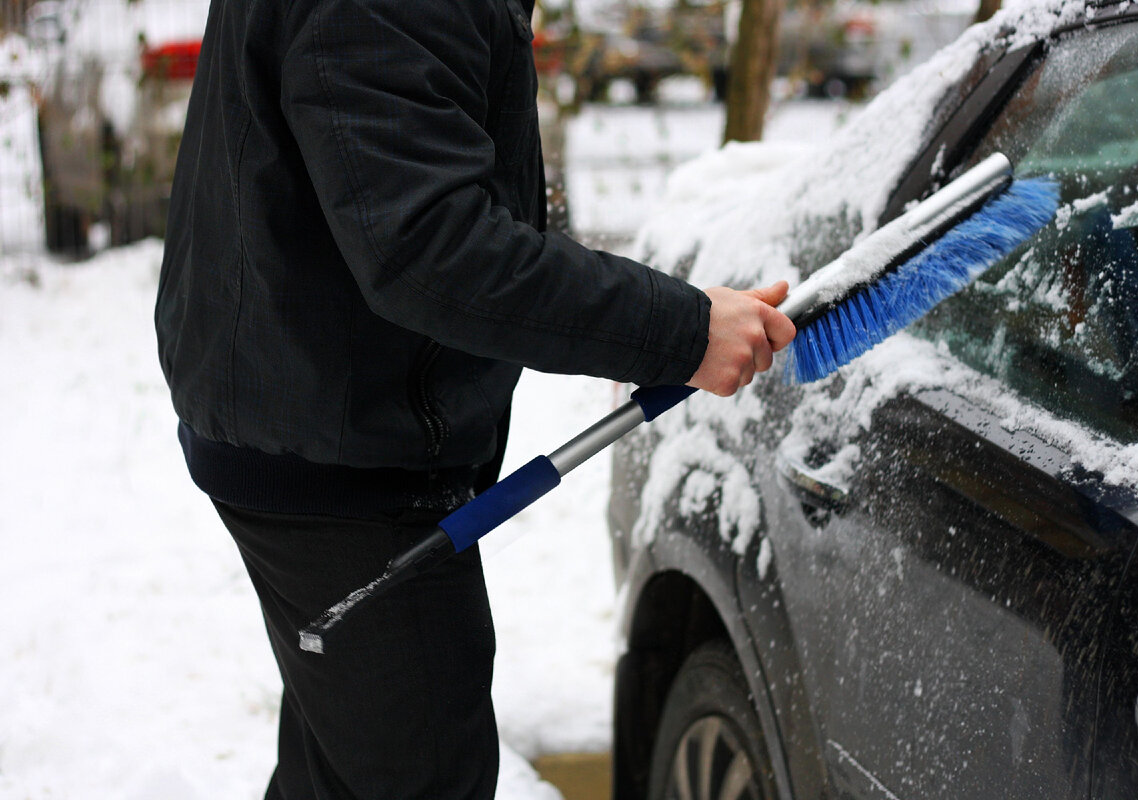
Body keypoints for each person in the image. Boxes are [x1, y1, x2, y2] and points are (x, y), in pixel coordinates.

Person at [153, 0, 795, 797]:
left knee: (344, 774)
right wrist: (684, 330)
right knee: (417, 777)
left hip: (315, 418)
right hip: (346, 462)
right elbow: (430, 246)